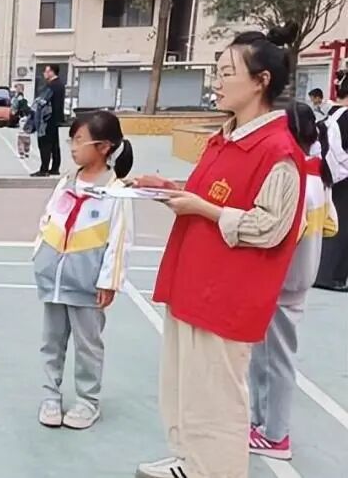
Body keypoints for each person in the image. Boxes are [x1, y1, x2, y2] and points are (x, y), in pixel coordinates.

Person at [134, 25, 306, 478]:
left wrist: (202, 209)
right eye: (218, 71)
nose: (217, 81)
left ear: (261, 81)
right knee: (185, 386)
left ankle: (216, 470)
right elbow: (211, 194)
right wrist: (168, 189)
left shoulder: (277, 151)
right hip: (194, 282)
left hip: (226, 293)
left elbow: (269, 227)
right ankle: (189, 460)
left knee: (217, 397)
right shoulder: (226, 138)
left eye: (227, 72)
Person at [248, 100, 338, 461]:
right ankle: (262, 424)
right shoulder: (319, 175)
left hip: (281, 280)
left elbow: (282, 231)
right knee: (265, 356)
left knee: (275, 359)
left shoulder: (296, 176)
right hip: (298, 278)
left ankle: (276, 435)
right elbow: (330, 225)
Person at [34, 110, 134, 431]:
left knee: (88, 344)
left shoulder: (115, 191)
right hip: (55, 279)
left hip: (87, 284)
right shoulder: (67, 182)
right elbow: (49, 219)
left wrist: (109, 281)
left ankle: (88, 401)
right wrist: (40, 256)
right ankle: (50, 395)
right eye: (71, 140)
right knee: (51, 342)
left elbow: (120, 239)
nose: (73, 147)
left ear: (103, 147)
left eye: (79, 140)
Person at [314, 70, 348, 291]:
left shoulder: (329, 116)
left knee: (331, 222)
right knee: (342, 225)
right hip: (344, 178)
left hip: (328, 176)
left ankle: (325, 273)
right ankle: (332, 276)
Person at [32, 65, 65, 177]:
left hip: (47, 118)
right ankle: (55, 168)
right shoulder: (60, 84)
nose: (44, 74)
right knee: (54, 144)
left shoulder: (51, 86)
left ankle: (44, 169)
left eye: (46, 71)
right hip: (55, 118)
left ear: (52, 72)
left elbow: (42, 101)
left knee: (44, 144)